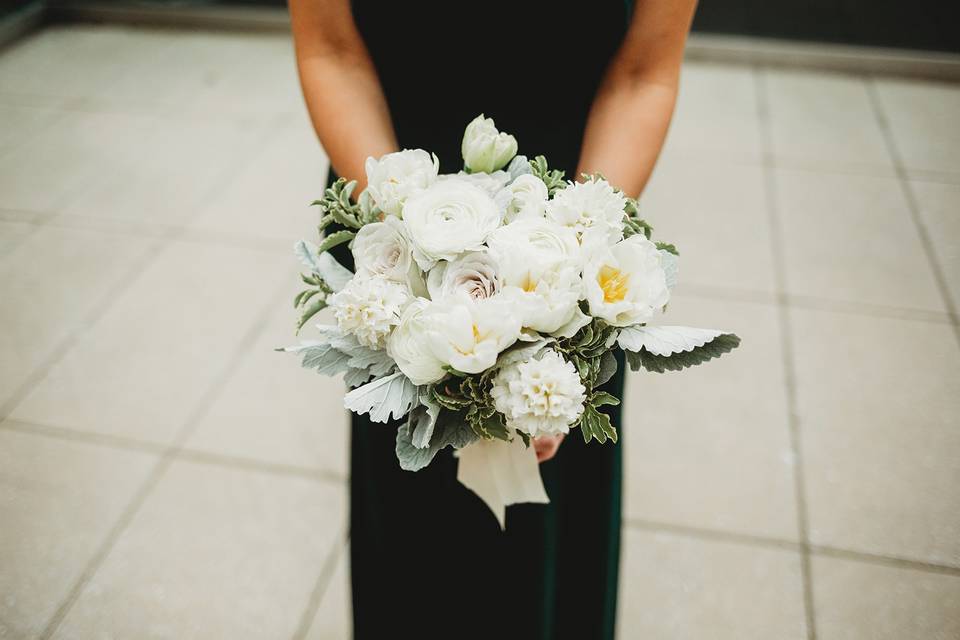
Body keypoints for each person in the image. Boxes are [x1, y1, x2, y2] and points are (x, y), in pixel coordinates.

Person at [290, 1, 697, 637]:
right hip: (392, 211)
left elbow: (644, 70)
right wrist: (411, 258)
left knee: (547, 532)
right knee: (411, 528)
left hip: (568, 220)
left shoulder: (571, 257)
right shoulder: (397, 237)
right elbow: (331, 49)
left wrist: (568, 275)